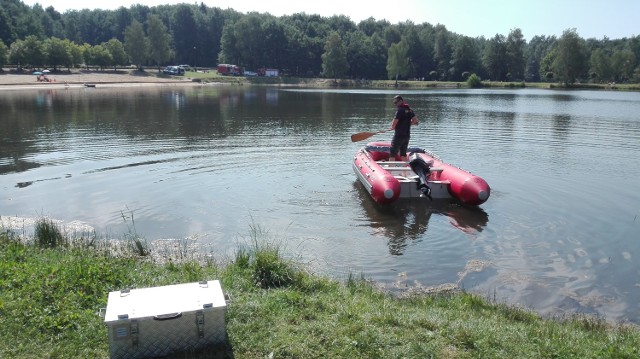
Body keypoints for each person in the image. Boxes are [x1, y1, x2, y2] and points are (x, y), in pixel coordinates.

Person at [389, 95, 419, 161]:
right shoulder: (410, 110)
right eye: (394, 103)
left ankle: (391, 170)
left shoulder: (399, 111)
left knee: (392, 154)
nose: (395, 104)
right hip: (407, 136)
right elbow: (416, 121)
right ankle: (405, 171)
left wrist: (392, 127)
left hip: (398, 136)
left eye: (396, 102)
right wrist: (408, 124)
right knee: (403, 154)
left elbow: (394, 124)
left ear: (401, 101)